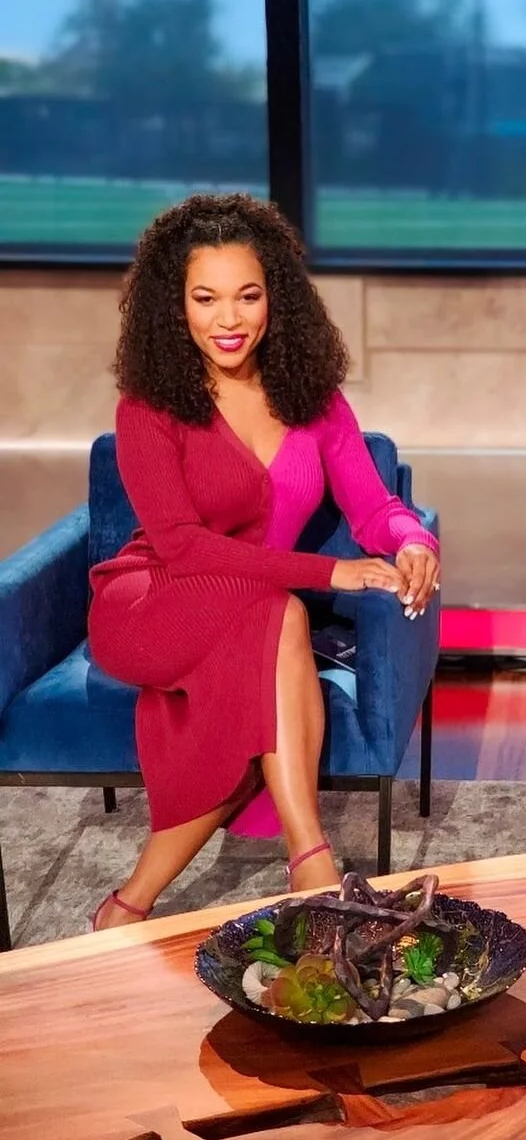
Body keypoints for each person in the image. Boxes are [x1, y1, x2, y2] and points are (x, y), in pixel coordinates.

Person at [87, 193, 440, 929]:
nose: (229, 318)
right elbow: (181, 545)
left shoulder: (312, 398)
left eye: (247, 295)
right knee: (281, 612)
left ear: (275, 296)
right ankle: (311, 865)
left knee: (270, 628)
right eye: (206, 298)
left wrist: (413, 540)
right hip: (154, 599)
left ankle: (129, 906)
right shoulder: (147, 406)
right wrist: (331, 572)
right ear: (174, 304)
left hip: (255, 607)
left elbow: (374, 506)